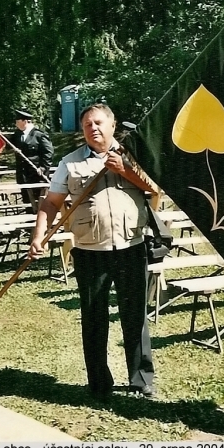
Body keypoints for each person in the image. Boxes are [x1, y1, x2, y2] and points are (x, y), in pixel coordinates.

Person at [28, 102, 156, 401]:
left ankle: (141, 379)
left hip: (131, 246)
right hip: (89, 250)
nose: (93, 128)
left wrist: (125, 170)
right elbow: (51, 202)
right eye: (87, 125)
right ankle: (99, 382)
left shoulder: (133, 156)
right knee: (94, 317)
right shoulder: (70, 163)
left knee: (135, 315)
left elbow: (154, 189)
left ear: (113, 125)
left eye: (98, 123)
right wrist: (38, 235)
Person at [13, 108, 54, 209]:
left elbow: (48, 153)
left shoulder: (39, 135)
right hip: (23, 175)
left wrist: (43, 168)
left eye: (17, 121)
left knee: (39, 203)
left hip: (36, 174)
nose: (16, 124)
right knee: (27, 202)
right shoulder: (17, 135)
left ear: (25, 121)